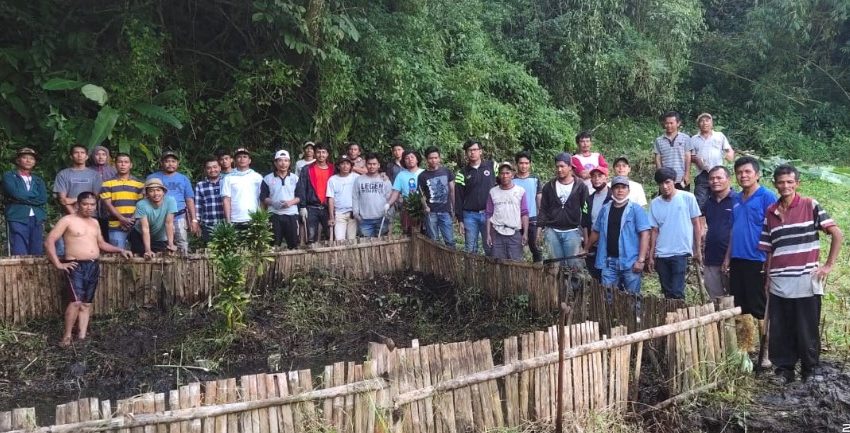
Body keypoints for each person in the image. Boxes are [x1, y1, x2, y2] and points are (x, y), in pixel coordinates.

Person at [759, 164, 843, 384]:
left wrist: (828, 265)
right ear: (775, 184)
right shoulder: (770, 212)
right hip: (779, 280)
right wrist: (767, 278)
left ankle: (810, 369)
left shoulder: (809, 205)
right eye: (781, 182)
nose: (785, 186)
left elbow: (837, 233)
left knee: (806, 327)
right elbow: (769, 249)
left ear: (797, 183)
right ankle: (784, 370)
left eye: (789, 182)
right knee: (781, 328)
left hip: (806, 279)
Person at [44, 191, 132, 347]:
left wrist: (120, 250)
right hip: (75, 265)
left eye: (92, 204)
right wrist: (58, 263)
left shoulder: (95, 222)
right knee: (76, 302)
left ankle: (82, 337)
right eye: (85, 204)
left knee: (86, 303)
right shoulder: (67, 220)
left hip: (92, 265)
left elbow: (102, 244)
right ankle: (66, 337)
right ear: (78, 204)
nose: (89, 207)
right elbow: (49, 240)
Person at [722, 157, 777, 323]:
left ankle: (764, 343)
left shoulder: (767, 196)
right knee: (739, 302)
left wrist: (770, 259)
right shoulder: (736, 199)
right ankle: (745, 344)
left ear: (757, 174)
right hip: (738, 258)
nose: (743, 175)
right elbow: (734, 229)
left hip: (757, 258)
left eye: (747, 172)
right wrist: (727, 257)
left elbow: (775, 230)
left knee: (757, 302)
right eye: (739, 172)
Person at [587, 176, 651, 296]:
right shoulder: (605, 209)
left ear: (628, 190)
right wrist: (586, 248)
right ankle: (611, 315)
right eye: (617, 187)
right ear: (612, 190)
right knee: (608, 297)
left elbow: (645, 234)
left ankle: (634, 316)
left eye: (623, 187)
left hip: (631, 262)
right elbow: (596, 231)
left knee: (633, 297)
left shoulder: (636, 210)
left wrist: (641, 260)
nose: (620, 190)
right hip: (609, 261)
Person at [647, 167, 702, 299]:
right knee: (666, 291)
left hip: (680, 251)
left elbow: (696, 224)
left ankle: (679, 317)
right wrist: (651, 255)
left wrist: (697, 249)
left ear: (674, 181)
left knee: (677, 291)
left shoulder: (688, 198)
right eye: (661, 184)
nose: (665, 187)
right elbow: (654, 231)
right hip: (661, 253)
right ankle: (671, 317)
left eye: (668, 182)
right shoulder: (655, 203)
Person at [538, 152, 589, 268]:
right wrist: (539, 230)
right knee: (555, 266)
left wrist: (586, 237)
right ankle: (556, 286)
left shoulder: (580, 186)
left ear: (570, 167)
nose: (559, 169)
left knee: (574, 266)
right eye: (557, 167)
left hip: (572, 231)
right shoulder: (549, 186)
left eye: (562, 166)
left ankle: (574, 286)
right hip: (552, 232)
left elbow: (586, 212)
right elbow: (543, 209)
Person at [147, 151, 198, 253]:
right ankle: (162, 267)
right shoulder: (153, 178)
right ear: (162, 163)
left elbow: (189, 199)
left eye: (173, 161)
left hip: (179, 216)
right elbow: (146, 197)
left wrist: (194, 220)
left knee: (182, 243)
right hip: (159, 217)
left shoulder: (183, 178)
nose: (170, 164)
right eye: (167, 161)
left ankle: (183, 266)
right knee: (161, 244)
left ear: (178, 163)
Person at [54, 144, 101, 256]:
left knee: (89, 248)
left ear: (87, 156)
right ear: (71, 156)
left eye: (82, 153)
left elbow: (96, 196)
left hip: (90, 216)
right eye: (76, 153)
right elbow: (63, 200)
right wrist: (75, 216)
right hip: (68, 217)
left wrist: (74, 199)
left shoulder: (94, 175)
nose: (79, 155)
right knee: (63, 249)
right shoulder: (63, 174)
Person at [2, 147, 48, 255]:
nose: (28, 161)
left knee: (37, 249)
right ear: (18, 160)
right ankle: (19, 272)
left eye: (31, 159)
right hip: (17, 215)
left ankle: (36, 273)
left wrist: (22, 199)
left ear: (35, 162)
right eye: (24, 158)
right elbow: (14, 193)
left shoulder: (38, 180)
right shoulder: (9, 176)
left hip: (37, 217)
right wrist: (33, 197)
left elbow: (43, 198)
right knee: (19, 249)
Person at [455, 139, 496, 255]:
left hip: (489, 214)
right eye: (469, 150)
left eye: (475, 150)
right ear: (466, 153)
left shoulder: (492, 166)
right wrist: (460, 220)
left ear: (480, 151)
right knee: (470, 248)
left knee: (490, 246)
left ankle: (489, 273)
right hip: (469, 216)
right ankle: (471, 273)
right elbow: (458, 198)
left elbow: (503, 184)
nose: (472, 153)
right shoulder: (462, 173)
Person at [702, 166, 736, 299]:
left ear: (728, 179)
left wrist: (728, 257)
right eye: (711, 178)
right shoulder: (708, 203)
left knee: (735, 298)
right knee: (715, 299)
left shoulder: (737, 201)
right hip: (711, 258)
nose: (715, 181)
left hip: (733, 259)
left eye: (719, 178)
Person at [99, 153, 144, 248]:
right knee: (117, 257)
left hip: (135, 226)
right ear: (115, 165)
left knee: (137, 255)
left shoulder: (139, 184)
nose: (123, 164)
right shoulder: (107, 183)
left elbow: (141, 205)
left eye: (126, 162)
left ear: (131, 165)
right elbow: (108, 205)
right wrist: (122, 219)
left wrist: (131, 221)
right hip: (115, 225)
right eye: (120, 162)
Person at [485, 162, 529, 261]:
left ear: (512, 174)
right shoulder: (493, 192)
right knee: (498, 263)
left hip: (514, 233)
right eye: (502, 173)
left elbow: (524, 213)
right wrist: (488, 234)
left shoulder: (520, 191)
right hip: (497, 233)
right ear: (499, 175)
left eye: (507, 173)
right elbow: (488, 213)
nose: (505, 176)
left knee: (516, 263)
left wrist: (525, 233)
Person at [690, 113, 734, 209]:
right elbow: (691, 157)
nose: (704, 123)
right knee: (700, 202)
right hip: (702, 174)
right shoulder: (694, 139)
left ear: (711, 123)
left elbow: (729, 150)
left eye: (707, 120)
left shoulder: (719, 136)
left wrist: (729, 156)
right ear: (698, 124)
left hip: (718, 173)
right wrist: (697, 160)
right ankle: (701, 223)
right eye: (702, 121)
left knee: (721, 198)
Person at [260, 150, 300, 248]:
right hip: (274, 215)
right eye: (280, 161)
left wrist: (290, 202)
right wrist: (273, 202)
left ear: (289, 163)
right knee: (273, 244)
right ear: (275, 163)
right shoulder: (267, 178)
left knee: (293, 244)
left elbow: (300, 196)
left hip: (291, 215)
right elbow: (263, 197)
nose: (283, 163)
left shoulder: (295, 178)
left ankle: (294, 263)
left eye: (286, 161)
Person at [296, 142, 334, 244]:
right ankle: (311, 258)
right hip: (311, 207)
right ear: (314, 153)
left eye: (323, 152)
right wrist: (302, 207)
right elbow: (301, 188)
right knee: (311, 237)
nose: (321, 155)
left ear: (327, 154)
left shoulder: (333, 169)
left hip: (328, 207)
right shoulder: (307, 169)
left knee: (330, 236)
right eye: (318, 152)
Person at [129, 178, 178, 257]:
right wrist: (148, 250)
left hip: (160, 237)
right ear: (147, 193)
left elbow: (169, 223)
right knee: (142, 255)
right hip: (140, 235)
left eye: (158, 190)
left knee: (165, 255)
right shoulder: (141, 204)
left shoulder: (170, 201)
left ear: (163, 192)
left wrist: (171, 244)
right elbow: (145, 228)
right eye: (151, 191)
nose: (156, 194)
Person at [418, 146, 455, 248]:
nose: (433, 160)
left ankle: (451, 263)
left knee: (450, 240)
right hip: (431, 213)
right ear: (426, 160)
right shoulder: (422, 176)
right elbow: (421, 194)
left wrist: (454, 208)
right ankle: (436, 263)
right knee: (434, 241)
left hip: (445, 211)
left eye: (435, 158)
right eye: (431, 158)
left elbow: (452, 191)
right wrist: (425, 207)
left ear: (439, 158)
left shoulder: (446, 172)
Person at [221, 147, 263, 229]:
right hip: (235, 219)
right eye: (239, 157)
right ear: (235, 160)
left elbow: (262, 199)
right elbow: (226, 200)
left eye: (245, 157)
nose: (242, 159)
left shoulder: (257, 177)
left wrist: (261, 218)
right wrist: (228, 221)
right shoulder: (228, 178)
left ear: (249, 160)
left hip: (254, 219)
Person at [513, 151, 543, 263]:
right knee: (516, 247)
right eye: (521, 163)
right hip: (515, 219)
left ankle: (538, 268)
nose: (524, 166)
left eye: (526, 163)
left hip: (532, 218)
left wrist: (541, 219)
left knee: (534, 246)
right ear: (516, 164)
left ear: (530, 164)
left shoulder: (535, 179)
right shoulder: (512, 180)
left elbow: (539, 198)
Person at [353, 153, 393, 237]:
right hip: (365, 220)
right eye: (369, 164)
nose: (372, 166)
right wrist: (356, 213)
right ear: (365, 164)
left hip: (382, 218)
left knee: (382, 245)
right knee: (366, 247)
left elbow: (390, 198)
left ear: (378, 165)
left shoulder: (385, 180)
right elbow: (355, 197)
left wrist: (388, 215)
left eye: (374, 164)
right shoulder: (359, 180)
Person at [583, 166, 612, 280]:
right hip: (592, 245)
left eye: (600, 176)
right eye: (594, 176)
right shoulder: (588, 199)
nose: (596, 179)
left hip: (609, 245)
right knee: (595, 275)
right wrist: (586, 244)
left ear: (606, 177)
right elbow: (584, 222)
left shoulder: (613, 198)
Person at [653, 111, 692, 191]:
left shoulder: (686, 138)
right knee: (665, 201)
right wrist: (660, 175)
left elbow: (688, 157)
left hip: (681, 177)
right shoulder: (659, 140)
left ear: (678, 123)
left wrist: (687, 174)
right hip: (665, 179)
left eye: (671, 123)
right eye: (667, 123)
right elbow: (658, 159)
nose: (669, 125)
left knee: (682, 201)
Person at [388, 150, 425, 234]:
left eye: (412, 157)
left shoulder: (424, 173)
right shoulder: (401, 175)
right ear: (404, 161)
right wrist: (388, 203)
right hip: (407, 206)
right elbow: (395, 192)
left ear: (417, 159)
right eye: (407, 158)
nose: (410, 160)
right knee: (408, 232)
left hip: (423, 206)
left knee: (424, 232)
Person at [327, 157, 360, 240]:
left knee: (351, 240)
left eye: (348, 164)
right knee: (339, 240)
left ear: (351, 166)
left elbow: (369, 176)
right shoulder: (332, 179)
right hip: (339, 214)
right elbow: (331, 198)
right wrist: (331, 216)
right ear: (338, 166)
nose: (345, 166)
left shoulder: (356, 177)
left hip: (353, 213)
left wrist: (383, 175)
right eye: (342, 164)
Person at [88, 145, 117, 240]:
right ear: (93, 156)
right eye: (97, 154)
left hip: (109, 204)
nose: (101, 157)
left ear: (107, 156)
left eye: (103, 154)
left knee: (107, 227)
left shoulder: (113, 171)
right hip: (92, 202)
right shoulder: (88, 170)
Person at [195, 156, 225, 243]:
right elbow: (198, 206)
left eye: (215, 167)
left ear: (220, 168)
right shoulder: (200, 185)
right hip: (208, 226)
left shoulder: (227, 182)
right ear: (205, 170)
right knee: (209, 254)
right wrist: (197, 223)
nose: (212, 170)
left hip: (226, 225)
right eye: (209, 168)